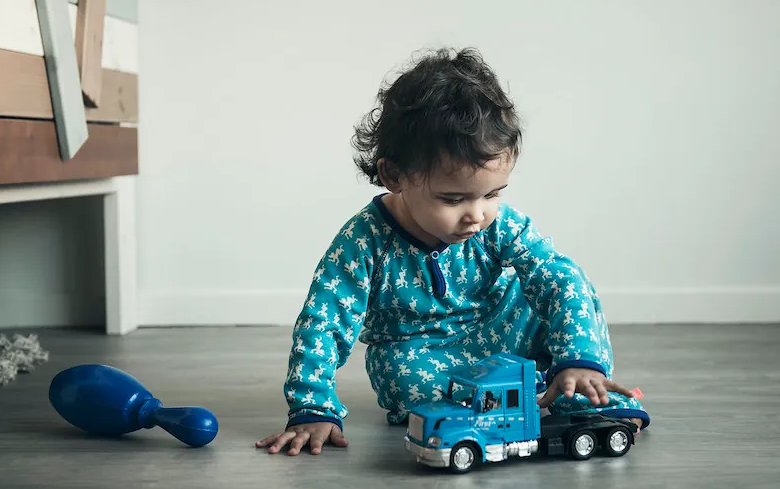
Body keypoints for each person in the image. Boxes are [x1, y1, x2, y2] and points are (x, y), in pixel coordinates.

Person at [256, 47, 650, 456]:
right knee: (402, 377)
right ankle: (532, 391)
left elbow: (555, 277)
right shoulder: (364, 242)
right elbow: (323, 322)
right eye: (453, 199)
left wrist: (579, 356)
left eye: (492, 194)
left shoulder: (499, 224)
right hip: (423, 352)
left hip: (505, 333)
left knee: (568, 281)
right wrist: (312, 406)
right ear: (394, 176)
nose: (476, 215)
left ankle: (580, 385)